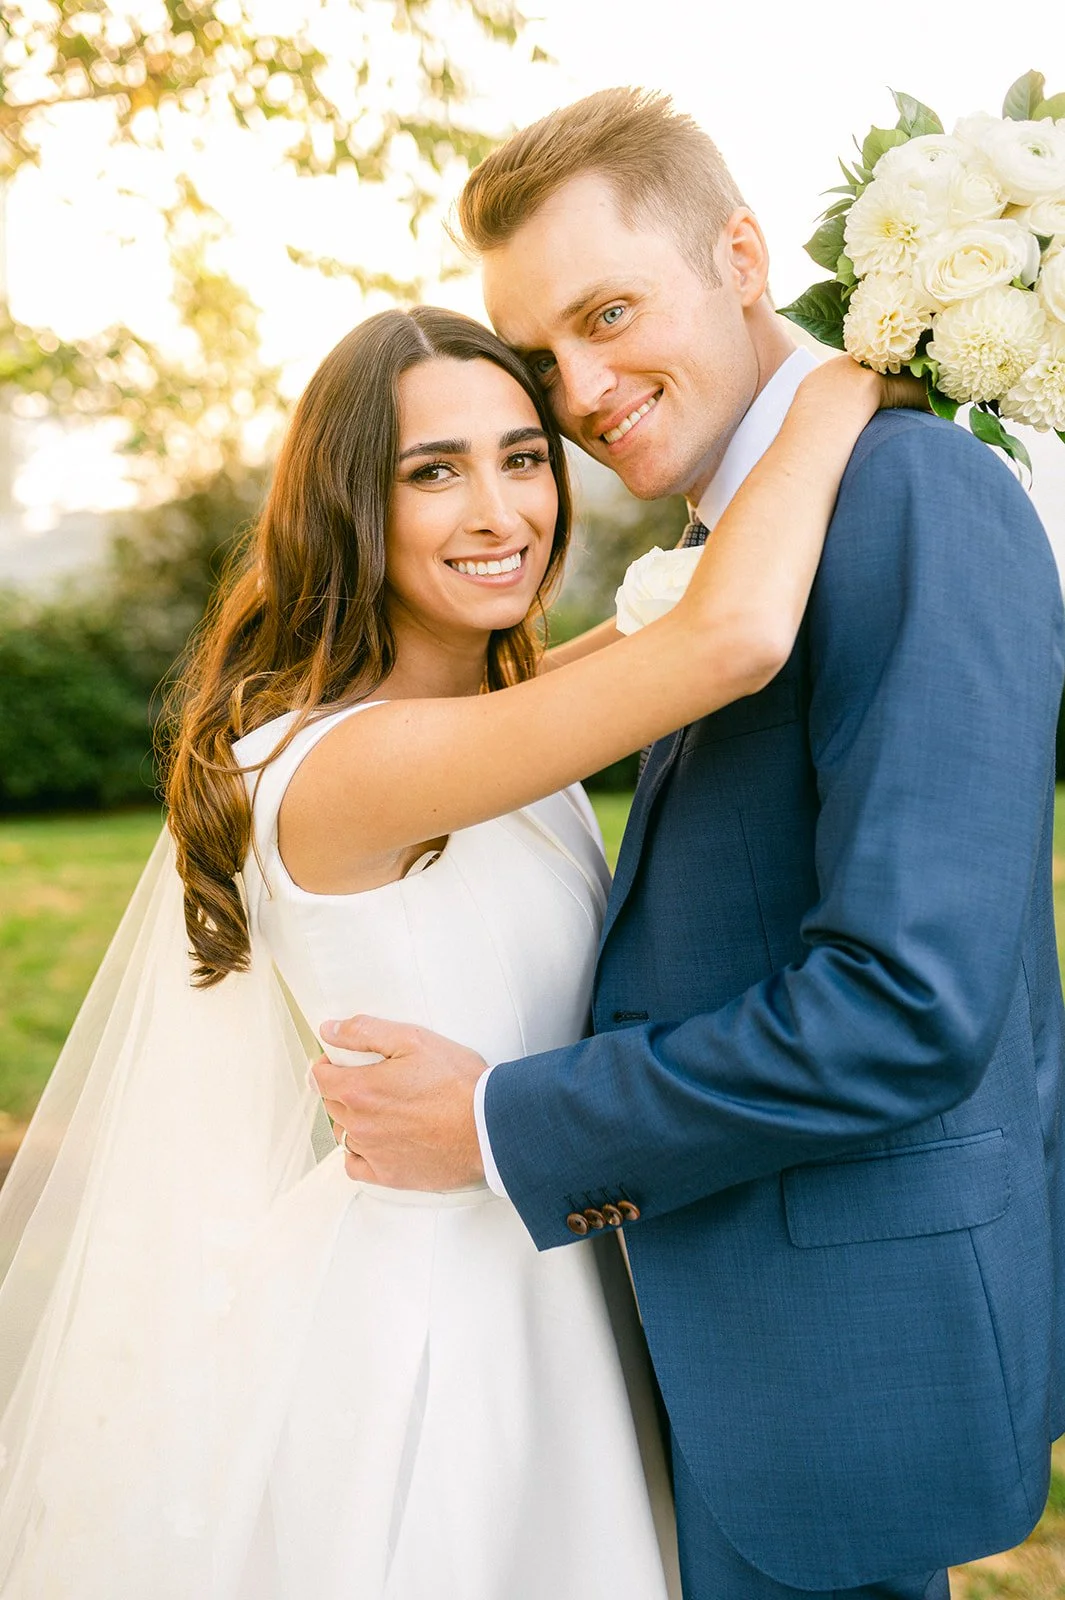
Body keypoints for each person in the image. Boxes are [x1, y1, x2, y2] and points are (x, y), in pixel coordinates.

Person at [0, 303, 896, 1596]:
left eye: (524, 457)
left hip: (556, 1261)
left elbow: (689, 607)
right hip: (439, 1325)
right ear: (349, 506)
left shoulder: (496, 718)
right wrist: (837, 388)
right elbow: (728, 638)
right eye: (435, 472)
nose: (500, 512)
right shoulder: (340, 765)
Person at [314, 90, 1065, 1600]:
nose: (579, 393)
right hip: (689, 1341)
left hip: (834, 1356)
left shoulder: (914, 498)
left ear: (741, 255)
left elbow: (908, 1005)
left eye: (608, 313)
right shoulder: (737, 554)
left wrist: (505, 1125)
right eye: (541, 357)